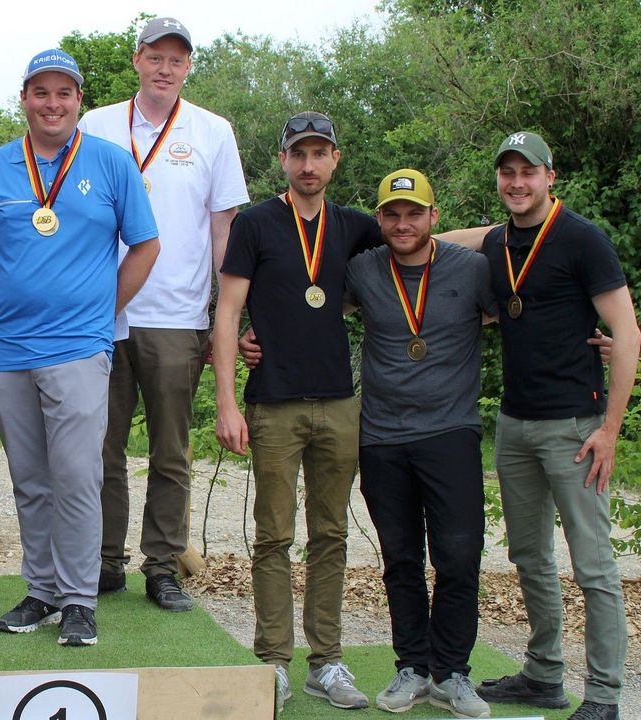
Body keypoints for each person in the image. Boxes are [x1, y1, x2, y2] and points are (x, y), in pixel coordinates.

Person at [0, 49, 159, 647]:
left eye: (63, 93)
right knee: (30, 478)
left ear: (79, 101)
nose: (52, 103)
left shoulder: (111, 164)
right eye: (40, 92)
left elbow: (146, 245)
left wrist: (104, 309)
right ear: (24, 99)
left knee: (75, 475)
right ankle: (41, 590)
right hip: (8, 349)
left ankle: (77, 599)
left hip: (77, 348)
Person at [78, 16, 248, 610]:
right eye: (156, 57)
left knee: (171, 450)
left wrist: (223, 315)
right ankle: (102, 562)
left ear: (188, 66)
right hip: (101, 314)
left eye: (177, 60)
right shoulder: (95, 124)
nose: (165, 69)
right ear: (137, 60)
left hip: (177, 315)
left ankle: (161, 565)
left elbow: (223, 229)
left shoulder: (213, 131)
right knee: (101, 447)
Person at [212, 111, 379, 710]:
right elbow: (229, 312)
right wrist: (226, 400)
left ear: (336, 159)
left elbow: (420, 246)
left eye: (320, 154)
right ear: (283, 160)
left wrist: (501, 232)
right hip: (273, 405)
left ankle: (327, 662)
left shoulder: (358, 226)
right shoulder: (256, 224)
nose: (308, 165)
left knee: (331, 534)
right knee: (274, 535)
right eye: (298, 154)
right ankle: (273, 660)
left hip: (339, 403)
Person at [474, 131, 639, 720]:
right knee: (529, 556)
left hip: (576, 425)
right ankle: (544, 674)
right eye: (507, 172)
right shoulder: (496, 243)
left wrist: (610, 430)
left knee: (592, 564)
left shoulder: (583, 239)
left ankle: (604, 695)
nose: (517, 182)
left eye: (528, 172)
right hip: (514, 425)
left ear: (551, 176)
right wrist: (405, 231)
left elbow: (627, 333)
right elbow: (455, 243)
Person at [345, 169, 494, 718]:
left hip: (450, 432)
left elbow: (530, 311)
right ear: (379, 219)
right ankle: (412, 666)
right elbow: (308, 311)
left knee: (458, 556)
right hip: (382, 437)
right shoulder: (362, 270)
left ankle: (452, 672)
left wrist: (594, 341)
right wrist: (251, 334)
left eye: (414, 213)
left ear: (435, 217)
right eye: (391, 214)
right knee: (400, 559)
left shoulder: (473, 269)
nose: (402, 223)